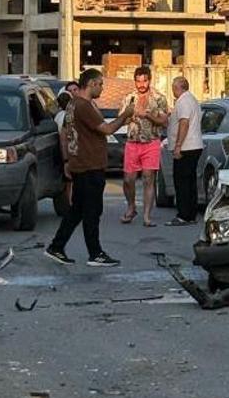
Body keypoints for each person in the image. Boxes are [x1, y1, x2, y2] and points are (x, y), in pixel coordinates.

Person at [45, 69, 134, 267]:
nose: (102, 88)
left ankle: (56, 246)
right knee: (92, 211)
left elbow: (77, 132)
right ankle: (95, 253)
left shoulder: (73, 104)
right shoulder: (83, 106)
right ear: (92, 84)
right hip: (89, 165)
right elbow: (106, 129)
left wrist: (68, 160)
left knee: (77, 209)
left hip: (80, 163)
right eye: (100, 84)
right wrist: (124, 115)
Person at [120, 66, 169, 228]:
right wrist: (131, 115)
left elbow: (164, 121)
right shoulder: (129, 98)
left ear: (149, 80)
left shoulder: (159, 98)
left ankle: (147, 215)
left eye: (144, 81)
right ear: (134, 81)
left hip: (151, 141)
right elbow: (122, 119)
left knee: (148, 178)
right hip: (132, 141)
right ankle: (131, 206)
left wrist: (148, 115)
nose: (141, 84)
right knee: (128, 179)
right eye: (138, 81)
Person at [164, 77, 204, 226]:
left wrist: (178, 145)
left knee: (182, 182)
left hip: (186, 147)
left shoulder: (183, 101)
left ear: (177, 88)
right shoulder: (191, 99)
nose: (172, 91)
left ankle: (184, 215)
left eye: (173, 87)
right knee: (189, 181)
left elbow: (184, 123)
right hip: (193, 145)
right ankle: (191, 214)